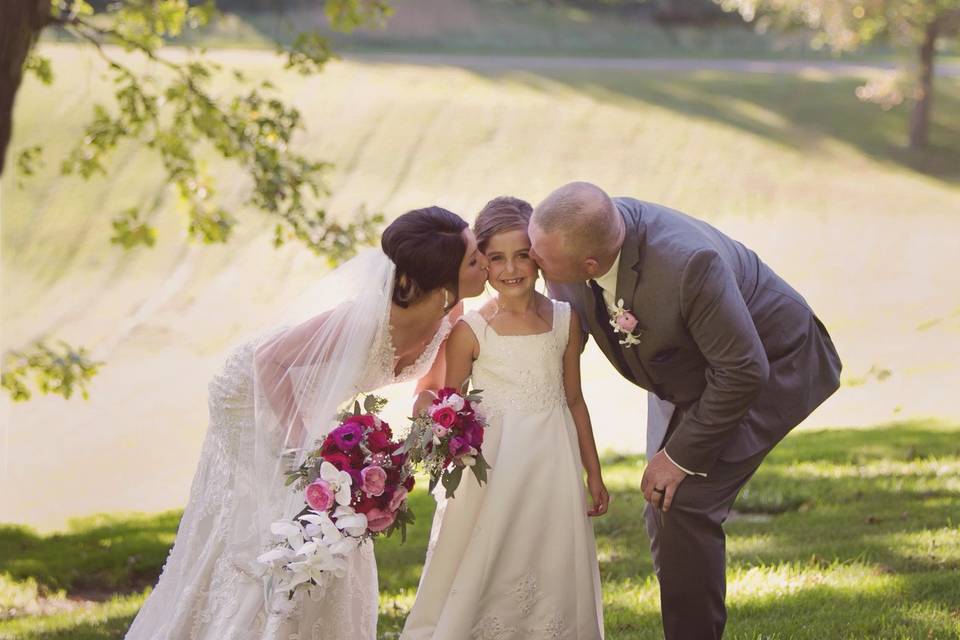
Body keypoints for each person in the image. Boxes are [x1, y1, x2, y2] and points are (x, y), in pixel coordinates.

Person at [125, 206, 489, 640]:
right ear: (441, 277)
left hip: (307, 406)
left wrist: (427, 436)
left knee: (332, 517)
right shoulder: (368, 318)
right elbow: (269, 360)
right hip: (251, 397)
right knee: (270, 521)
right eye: (473, 259)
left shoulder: (451, 309)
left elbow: (427, 386)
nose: (485, 262)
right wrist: (310, 450)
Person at [529, 182, 842, 640]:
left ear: (590, 265)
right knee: (663, 508)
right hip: (684, 373)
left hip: (767, 364)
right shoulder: (570, 243)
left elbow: (742, 370)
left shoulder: (688, 264)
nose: (532, 260)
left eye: (537, 255)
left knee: (681, 502)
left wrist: (678, 459)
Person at [401, 196, 607, 640]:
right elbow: (450, 410)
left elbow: (574, 399)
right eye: (496, 258)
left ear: (538, 257)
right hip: (492, 467)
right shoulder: (470, 330)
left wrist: (593, 472)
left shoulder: (565, 320)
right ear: (482, 264)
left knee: (549, 552)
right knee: (489, 555)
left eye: (522, 256)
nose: (511, 269)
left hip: (553, 461)